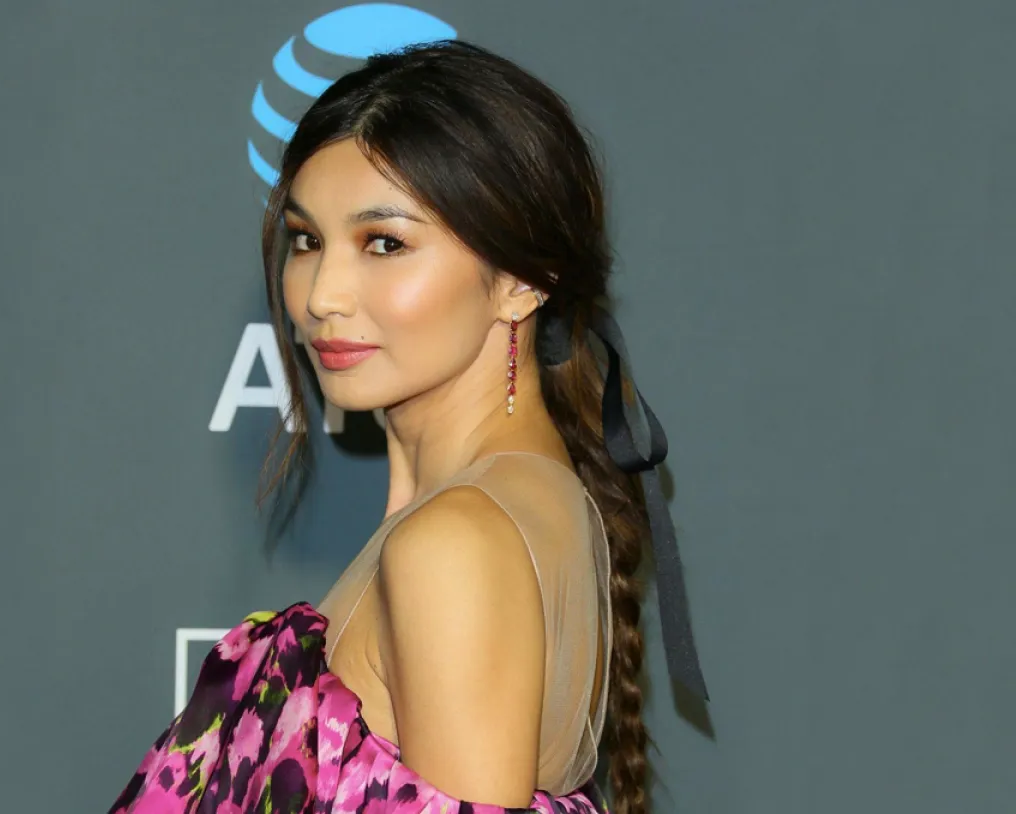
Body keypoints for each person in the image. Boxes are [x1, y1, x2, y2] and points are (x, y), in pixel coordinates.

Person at [110, 39, 707, 814]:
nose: (322, 294)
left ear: (523, 282)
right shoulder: (505, 506)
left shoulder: (456, 542)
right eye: (306, 240)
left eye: (384, 244)